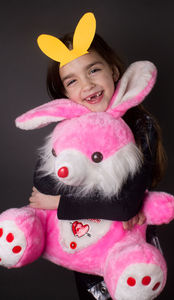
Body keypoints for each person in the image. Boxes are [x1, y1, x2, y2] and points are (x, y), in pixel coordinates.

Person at [29, 33, 166, 299]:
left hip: (131, 250)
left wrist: (60, 203)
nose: (87, 84)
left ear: (113, 71)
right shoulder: (68, 132)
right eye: (72, 80)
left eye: (93, 69)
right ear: (65, 95)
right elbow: (42, 184)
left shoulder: (140, 127)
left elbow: (126, 206)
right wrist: (112, 203)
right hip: (88, 252)